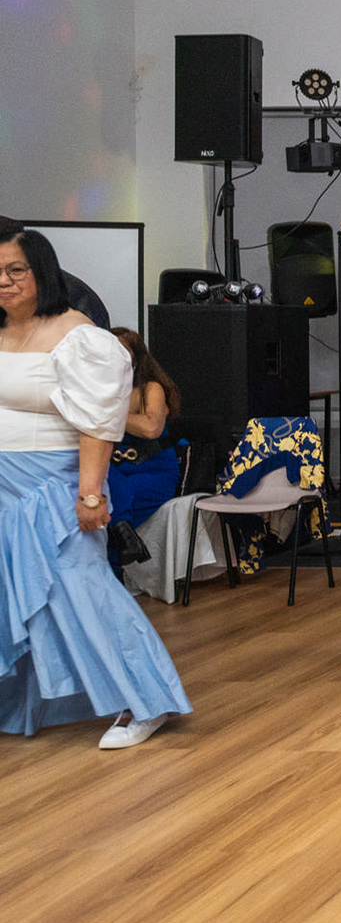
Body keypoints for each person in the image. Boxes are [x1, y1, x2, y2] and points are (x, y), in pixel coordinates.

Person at [0, 225, 190, 748]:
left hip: (53, 483)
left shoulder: (78, 334)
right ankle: (20, 702)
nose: (5, 281)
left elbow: (98, 424)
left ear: (43, 273)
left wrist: (90, 494)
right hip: (4, 485)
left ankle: (148, 700)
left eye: (16, 270)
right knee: (15, 589)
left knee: (84, 588)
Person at [105, 327, 184, 543]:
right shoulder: (96, 389)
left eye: (121, 351)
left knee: (115, 498)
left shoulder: (151, 388)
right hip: (113, 471)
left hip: (152, 471)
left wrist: (105, 414)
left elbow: (151, 428)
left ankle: (121, 544)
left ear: (135, 359)